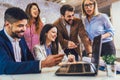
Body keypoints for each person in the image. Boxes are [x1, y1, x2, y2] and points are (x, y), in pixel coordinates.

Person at [0, 7, 64, 74]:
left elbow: (29, 58)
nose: (24, 29)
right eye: (20, 26)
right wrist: (42, 64)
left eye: (25, 25)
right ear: (7, 24)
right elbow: (6, 67)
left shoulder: (20, 37)